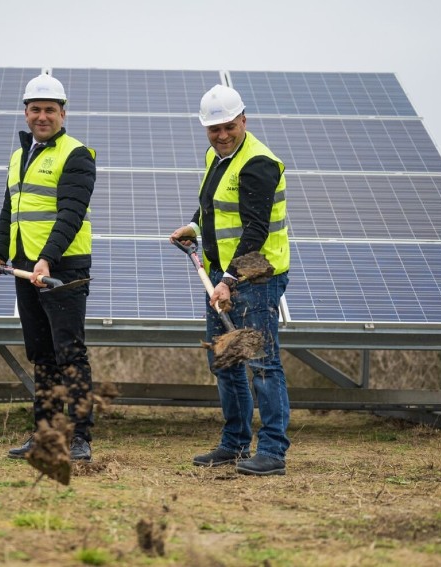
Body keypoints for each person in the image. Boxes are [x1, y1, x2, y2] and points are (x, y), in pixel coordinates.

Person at [170, 84, 291, 476]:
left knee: (261, 365)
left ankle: (272, 451)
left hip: (257, 276)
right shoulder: (217, 156)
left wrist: (227, 280)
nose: (221, 135)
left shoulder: (258, 164)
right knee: (226, 361)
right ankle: (235, 443)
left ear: (244, 120)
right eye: (213, 129)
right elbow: (212, 205)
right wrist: (192, 226)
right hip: (227, 278)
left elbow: (255, 231)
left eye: (228, 127)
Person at [0, 74, 96, 462]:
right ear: (26, 113)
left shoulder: (77, 155)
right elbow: (10, 208)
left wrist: (47, 257)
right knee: (42, 355)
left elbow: (71, 214)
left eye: (50, 110)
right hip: (25, 266)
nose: (42, 116)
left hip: (63, 267)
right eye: (36, 109)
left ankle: (80, 438)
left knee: (70, 354)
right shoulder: (19, 156)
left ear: (63, 113)